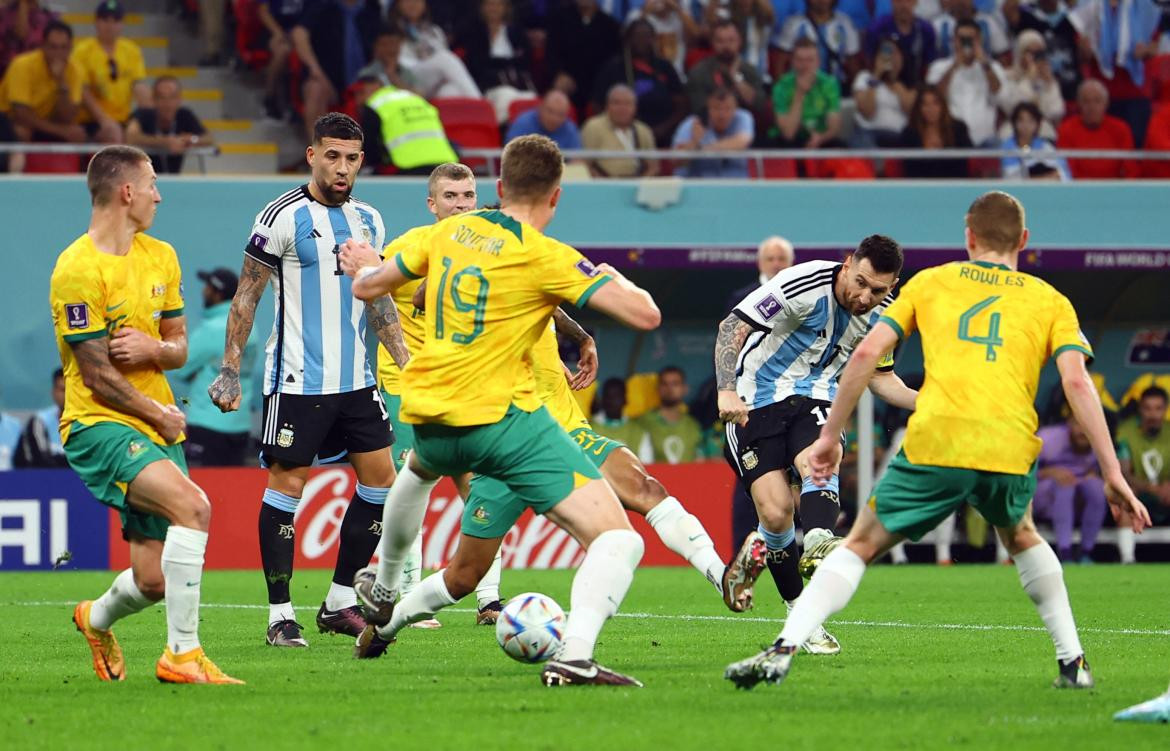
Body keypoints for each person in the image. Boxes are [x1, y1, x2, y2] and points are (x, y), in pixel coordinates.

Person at [724, 190, 1151, 691]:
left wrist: (831, 435)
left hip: (939, 438)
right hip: (1008, 441)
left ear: (968, 237)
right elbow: (1079, 385)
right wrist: (1113, 473)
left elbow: (865, 362)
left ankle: (784, 647)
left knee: (860, 544)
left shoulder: (933, 283)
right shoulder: (1050, 299)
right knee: (1023, 537)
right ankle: (1073, 662)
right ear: (1025, 241)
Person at [341, 134, 662, 687]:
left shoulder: (443, 232)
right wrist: (610, 272)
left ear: (496, 187)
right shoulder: (544, 255)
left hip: (429, 416)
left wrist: (365, 265)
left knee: (417, 474)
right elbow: (645, 315)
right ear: (556, 197)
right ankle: (576, 656)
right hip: (499, 424)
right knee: (619, 538)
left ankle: (386, 587)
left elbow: (370, 287)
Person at [207, 113, 407, 648]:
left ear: (361, 161)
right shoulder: (279, 216)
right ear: (312, 155)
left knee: (381, 483)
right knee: (288, 487)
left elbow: (379, 297)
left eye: (351, 158)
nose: (342, 168)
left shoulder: (369, 220)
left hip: (358, 381)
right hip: (297, 380)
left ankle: (340, 601)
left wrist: (408, 363)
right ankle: (279, 614)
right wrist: (230, 369)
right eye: (332, 156)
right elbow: (246, 295)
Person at [52, 145, 242, 684]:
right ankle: (182, 656)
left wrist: (155, 352)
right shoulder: (76, 270)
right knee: (195, 508)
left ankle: (94, 617)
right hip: (99, 424)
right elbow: (94, 375)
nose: (160, 193)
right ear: (127, 192)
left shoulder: (161, 255)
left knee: (153, 580)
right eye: (153, 183)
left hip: (155, 421)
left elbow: (179, 347)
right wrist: (158, 415)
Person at [715, 235, 918, 655]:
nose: (864, 297)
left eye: (878, 290)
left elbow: (880, 378)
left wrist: (931, 404)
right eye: (860, 282)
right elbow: (732, 326)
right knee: (775, 514)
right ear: (847, 264)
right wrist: (726, 390)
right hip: (754, 399)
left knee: (820, 453)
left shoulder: (885, 317)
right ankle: (796, 611)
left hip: (817, 398)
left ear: (892, 287)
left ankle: (820, 537)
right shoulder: (802, 283)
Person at [172, 268, 256, 467]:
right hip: (240, 422)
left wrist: (200, 371)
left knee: (205, 487)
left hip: (207, 424)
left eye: (208, 287)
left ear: (217, 294)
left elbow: (180, 366)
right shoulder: (251, 326)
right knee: (231, 487)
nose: (204, 291)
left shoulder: (211, 329)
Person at [1069, 0, 1161, 147]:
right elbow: (1082, 56)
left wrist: (1146, 51)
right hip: (1101, 92)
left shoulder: (1144, 7)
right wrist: (1085, 49)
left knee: (1136, 143)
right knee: (1104, 144)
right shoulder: (1090, 7)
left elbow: (1154, 45)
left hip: (1135, 91)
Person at [290, 0, 382, 143]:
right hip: (327, 75)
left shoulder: (372, 8)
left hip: (364, 77)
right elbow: (299, 33)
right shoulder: (320, 5)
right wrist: (316, 70)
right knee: (315, 89)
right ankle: (320, 154)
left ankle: (371, 157)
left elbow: (383, 43)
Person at [590, 18, 687, 148]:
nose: (642, 41)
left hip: (663, 134)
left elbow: (681, 105)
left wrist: (663, 128)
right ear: (628, 40)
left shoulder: (664, 67)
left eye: (646, 36)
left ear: (653, 39)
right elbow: (597, 104)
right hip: (622, 135)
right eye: (637, 36)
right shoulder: (613, 67)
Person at [71, 0, 148, 144]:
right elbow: (83, 91)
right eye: (105, 20)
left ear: (122, 24)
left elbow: (138, 85)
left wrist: (147, 115)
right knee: (113, 133)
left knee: (147, 131)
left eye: (115, 20)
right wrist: (104, 119)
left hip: (124, 118)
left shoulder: (132, 50)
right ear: (96, 22)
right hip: (92, 119)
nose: (110, 25)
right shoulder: (82, 51)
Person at [1034, 415, 1108, 561]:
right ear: (1068, 424)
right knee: (1065, 488)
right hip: (1045, 493)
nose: (1082, 431)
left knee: (1097, 487)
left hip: (1080, 497)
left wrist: (1095, 474)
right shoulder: (1048, 439)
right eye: (1078, 425)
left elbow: (1110, 473)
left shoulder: (1101, 441)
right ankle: (1065, 552)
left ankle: (1086, 552)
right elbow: (1024, 472)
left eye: (1087, 425)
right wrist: (1049, 472)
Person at [0, 19, 84, 143]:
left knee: (77, 133)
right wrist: (60, 131)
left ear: (71, 47)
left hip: (47, 121)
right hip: (8, 120)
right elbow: (21, 114)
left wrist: (61, 83)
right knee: (23, 131)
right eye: (53, 47)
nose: (58, 53)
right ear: (43, 46)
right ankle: (17, 163)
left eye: (64, 47)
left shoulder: (75, 70)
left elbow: (68, 117)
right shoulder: (22, 65)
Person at [925, 19, 1005, 146]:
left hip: (984, 140)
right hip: (951, 139)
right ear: (954, 41)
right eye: (962, 39)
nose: (966, 43)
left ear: (980, 41)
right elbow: (934, 97)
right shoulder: (938, 67)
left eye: (971, 39)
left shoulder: (992, 67)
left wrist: (984, 63)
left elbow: (999, 93)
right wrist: (955, 66)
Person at [454, 0, 536, 122]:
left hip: (518, 84)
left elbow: (525, 61)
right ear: (482, 7)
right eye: (490, 4)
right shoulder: (473, 32)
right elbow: (477, 65)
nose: (494, 8)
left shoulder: (515, 31)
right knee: (507, 96)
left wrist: (499, 63)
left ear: (505, 8)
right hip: (489, 86)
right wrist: (507, 64)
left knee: (531, 99)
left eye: (499, 4)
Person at [359, 79, 459, 173]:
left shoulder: (375, 104)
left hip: (410, 165)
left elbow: (369, 144)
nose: (358, 99)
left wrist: (376, 166)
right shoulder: (415, 98)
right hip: (444, 162)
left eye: (360, 93)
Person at [685, 20, 769, 131]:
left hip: (746, 130)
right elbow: (699, 109)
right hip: (709, 130)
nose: (726, 46)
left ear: (739, 42)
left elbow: (759, 104)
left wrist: (735, 76)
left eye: (731, 40)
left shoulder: (749, 71)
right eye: (720, 41)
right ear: (712, 43)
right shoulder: (699, 72)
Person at [389, 0, 481, 99]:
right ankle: (481, 103)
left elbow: (449, 68)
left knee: (452, 90)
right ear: (398, 4)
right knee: (444, 58)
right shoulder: (392, 30)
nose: (413, 4)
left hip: (434, 81)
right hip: (408, 76)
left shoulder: (435, 31)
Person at [547, 0, 623, 116]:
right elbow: (551, 52)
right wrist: (558, 73)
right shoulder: (559, 18)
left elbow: (612, 64)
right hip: (567, 83)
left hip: (595, 88)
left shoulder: (610, 25)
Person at [126, 76, 213, 175]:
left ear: (179, 99)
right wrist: (165, 142)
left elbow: (209, 138)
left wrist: (191, 140)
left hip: (173, 180)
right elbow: (131, 136)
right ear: (153, 100)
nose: (167, 104)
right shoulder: (144, 114)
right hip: (143, 181)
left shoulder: (184, 115)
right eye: (162, 98)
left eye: (172, 97)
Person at [1056, 79, 1139, 179]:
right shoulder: (1066, 129)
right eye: (1086, 101)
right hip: (1078, 190)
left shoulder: (1121, 129)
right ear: (1078, 104)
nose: (1092, 107)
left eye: (1097, 101)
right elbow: (1067, 170)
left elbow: (1130, 169)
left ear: (1106, 104)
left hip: (1115, 190)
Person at [773, 0, 862, 90]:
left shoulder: (845, 24)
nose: (821, 1)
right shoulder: (793, 24)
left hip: (837, 88)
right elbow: (780, 64)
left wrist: (858, 89)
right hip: (801, 89)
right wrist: (781, 91)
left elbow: (853, 63)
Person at [772, 38, 843, 149]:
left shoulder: (829, 84)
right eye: (799, 60)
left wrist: (820, 138)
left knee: (840, 146)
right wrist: (799, 94)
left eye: (810, 60)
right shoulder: (781, 86)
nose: (804, 65)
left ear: (818, 62)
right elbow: (788, 133)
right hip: (791, 139)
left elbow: (834, 127)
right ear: (792, 62)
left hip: (821, 137)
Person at [671, 86, 754, 177]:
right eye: (716, 108)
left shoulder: (743, 117)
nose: (722, 115)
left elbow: (741, 142)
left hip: (737, 186)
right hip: (700, 187)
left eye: (728, 108)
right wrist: (694, 142)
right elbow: (675, 162)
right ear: (708, 109)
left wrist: (700, 150)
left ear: (735, 108)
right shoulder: (692, 124)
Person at [1116, 386, 1170, 525]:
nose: (1153, 414)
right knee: (1126, 497)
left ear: (1165, 409)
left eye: (1158, 408)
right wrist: (1150, 488)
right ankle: (1127, 547)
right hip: (1138, 491)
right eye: (1147, 408)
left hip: (1166, 492)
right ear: (1140, 409)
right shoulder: (1125, 432)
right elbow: (1124, 473)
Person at [581, 83, 659, 177]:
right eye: (617, 103)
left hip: (637, 184)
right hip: (604, 185)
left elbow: (653, 167)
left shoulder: (643, 130)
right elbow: (584, 164)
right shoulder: (593, 127)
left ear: (635, 108)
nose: (622, 108)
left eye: (627, 103)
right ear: (607, 106)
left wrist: (642, 184)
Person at [997, 30, 1064, 139]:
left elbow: (1056, 111)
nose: (1034, 57)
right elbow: (1014, 107)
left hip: (1043, 131)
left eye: (1039, 53)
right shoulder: (1007, 76)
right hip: (1013, 130)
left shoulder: (1048, 79)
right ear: (1019, 53)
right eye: (1030, 52)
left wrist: (1049, 85)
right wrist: (1028, 79)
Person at [851, 36, 916, 148]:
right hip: (869, 132)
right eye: (886, 52)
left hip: (900, 135)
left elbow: (911, 110)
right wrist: (877, 75)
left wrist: (895, 81)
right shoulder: (865, 77)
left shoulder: (910, 84)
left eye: (895, 53)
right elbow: (867, 112)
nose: (891, 57)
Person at [897, 84, 973, 178]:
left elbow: (967, 161)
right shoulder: (910, 133)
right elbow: (908, 169)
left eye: (935, 103)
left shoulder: (958, 129)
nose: (930, 109)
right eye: (925, 104)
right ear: (919, 108)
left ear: (943, 106)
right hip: (920, 187)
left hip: (955, 186)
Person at [636, 366, 706, 464]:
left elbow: (700, 462)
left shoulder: (693, 426)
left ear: (685, 389)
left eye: (675, 384)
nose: (669, 389)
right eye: (665, 384)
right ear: (658, 388)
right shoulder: (644, 422)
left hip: (688, 479)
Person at [865, 0, 938, 87]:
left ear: (916, 2)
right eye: (899, 1)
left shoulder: (926, 30)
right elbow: (869, 63)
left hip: (917, 87)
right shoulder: (877, 29)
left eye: (908, 1)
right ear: (891, 2)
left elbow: (930, 66)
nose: (903, 6)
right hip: (883, 85)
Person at [625, 0, 700, 76]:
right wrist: (645, 11)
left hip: (678, 74)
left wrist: (677, 9)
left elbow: (696, 36)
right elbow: (629, 41)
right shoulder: (636, 15)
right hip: (646, 74)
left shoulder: (680, 16)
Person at [256, 0, 304, 119]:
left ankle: (296, 102)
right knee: (282, 51)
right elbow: (263, 12)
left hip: (301, 34)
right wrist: (278, 33)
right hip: (274, 31)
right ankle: (269, 97)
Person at [1000, 101, 1070, 180]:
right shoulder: (1007, 146)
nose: (1025, 126)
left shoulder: (1045, 145)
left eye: (1031, 121)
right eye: (1021, 120)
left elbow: (1063, 173)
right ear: (1014, 123)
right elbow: (1011, 177)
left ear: (1037, 124)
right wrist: (1043, 178)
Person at [13, 367, 67, 467]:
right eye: (63, 390)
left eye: (73, 390)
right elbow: (42, 460)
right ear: (53, 392)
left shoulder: (89, 422)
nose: (68, 395)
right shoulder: (39, 421)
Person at [505, 89, 582, 151]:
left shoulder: (570, 128)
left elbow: (578, 160)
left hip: (562, 169)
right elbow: (511, 155)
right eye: (550, 111)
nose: (554, 119)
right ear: (540, 108)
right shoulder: (523, 123)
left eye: (560, 114)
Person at [354, 25, 419, 94]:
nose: (390, 49)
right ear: (375, 48)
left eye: (394, 43)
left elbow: (420, 96)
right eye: (384, 44)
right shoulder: (366, 74)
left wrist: (393, 76)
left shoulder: (407, 72)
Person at [0, 0, 58, 72]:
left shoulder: (48, 18)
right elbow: (21, 34)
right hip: (7, 73)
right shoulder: (5, 15)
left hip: (39, 72)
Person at [592, 377, 648, 449]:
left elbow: (645, 460)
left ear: (625, 399)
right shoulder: (590, 429)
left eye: (617, 396)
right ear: (602, 399)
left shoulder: (638, 431)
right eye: (608, 396)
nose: (612, 401)